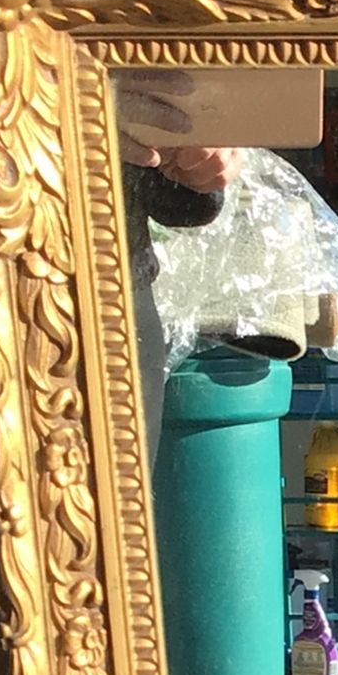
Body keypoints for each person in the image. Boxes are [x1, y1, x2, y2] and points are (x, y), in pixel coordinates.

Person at [115, 73, 244, 463]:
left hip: (119, 294)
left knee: (114, 494)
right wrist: (62, 101)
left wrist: (203, 153)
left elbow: (171, 200)